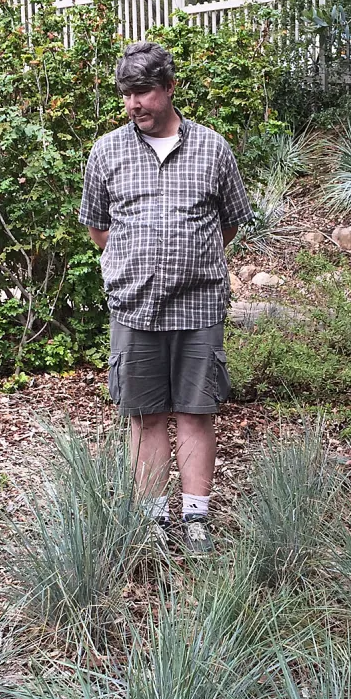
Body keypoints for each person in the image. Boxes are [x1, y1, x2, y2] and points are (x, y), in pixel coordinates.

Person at [78, 41, 252, 555]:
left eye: (144, 92)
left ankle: (196, 520)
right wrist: (134, 264)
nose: (135, 104)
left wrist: (190, 259)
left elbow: (229, 223)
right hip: (134, 307)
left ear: (170, 88)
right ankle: (153, 521)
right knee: (145, 415)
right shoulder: (106, 151)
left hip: (198, 306)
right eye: (127, 94)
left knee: (196, 413)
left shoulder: (213, 148)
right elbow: (98, 228)